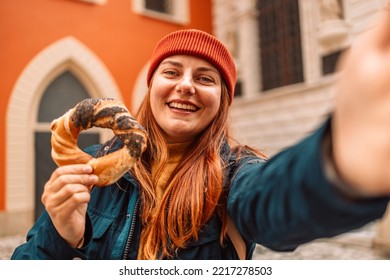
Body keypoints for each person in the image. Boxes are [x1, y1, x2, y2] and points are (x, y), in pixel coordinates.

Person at [11, 7, 390, 260]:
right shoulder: (94, 169)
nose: (186, 86)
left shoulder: (235, 173)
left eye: (205, 78)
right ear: (152, 87)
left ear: (222, 102)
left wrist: (337, 164)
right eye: (172, 72)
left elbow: (272, 199)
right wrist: (63, 236)